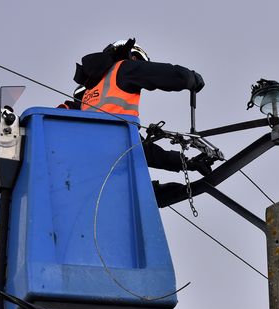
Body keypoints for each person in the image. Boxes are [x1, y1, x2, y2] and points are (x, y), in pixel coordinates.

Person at [70, 38, 213, 205]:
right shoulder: (122, 69)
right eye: (137, 60)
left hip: (93, 163)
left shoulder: (90, 92)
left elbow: (140, 150)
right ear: (131, 56)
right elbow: (164, 74)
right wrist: (191, 78)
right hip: (113, 159)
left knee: (149, 193)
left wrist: (185, 163)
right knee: (145, 195)